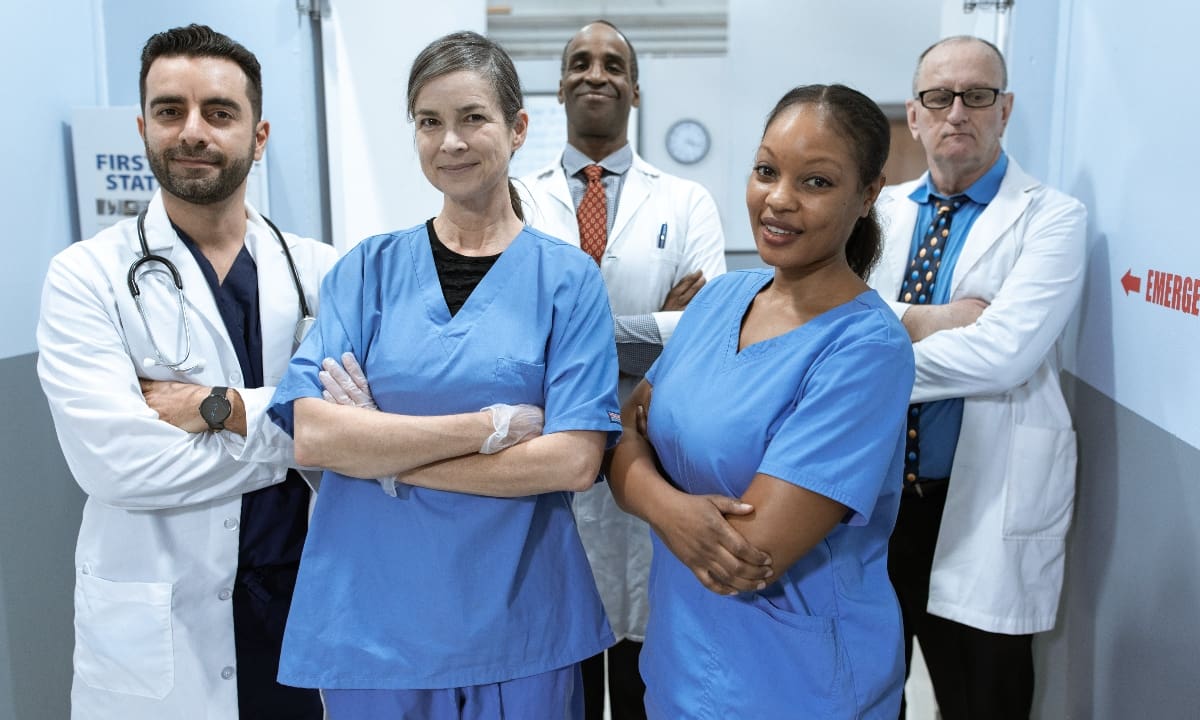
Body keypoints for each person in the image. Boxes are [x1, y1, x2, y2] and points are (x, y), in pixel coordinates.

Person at [265, 30, 622, 719]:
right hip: (373, 626)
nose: (449, 142)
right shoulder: (367, 271)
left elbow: (574, 460)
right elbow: (313, 435)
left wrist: (380, 453)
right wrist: (489, 428)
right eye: (429, 122)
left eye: (472, 118)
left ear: (517, 128)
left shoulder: (567, 280)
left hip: (521, 621)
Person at [36, 24, 336, 720]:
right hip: (161, 628)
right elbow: (118, 466)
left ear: (259, 136)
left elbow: (366, 438)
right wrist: (305, 432)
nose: (192, 131)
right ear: (144, 128)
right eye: (171, 111)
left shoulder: (324, 271)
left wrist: (219, 409)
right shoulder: (87, 278)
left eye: (219, 112)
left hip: (301, 607)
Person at [608, 84, 915, 719]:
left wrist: (644, 483)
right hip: (679, 667)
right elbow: (621, 436)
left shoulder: (865, 348)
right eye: (767, 170)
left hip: (798, 685)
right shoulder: (721, 299)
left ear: (868, 195)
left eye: (817, 182)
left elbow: (747, 558)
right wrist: (676, 508)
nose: (778, 199)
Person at [868, 36, 1086, 719]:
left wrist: (865, 354)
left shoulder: (1052, 218)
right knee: (865, 692)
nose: (957, 110)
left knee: (982, 698)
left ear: (1005, 109)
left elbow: (1004, 355)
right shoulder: (878, 213)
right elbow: (831, 318)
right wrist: (935, 319)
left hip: (979, 504)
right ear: (915, 115)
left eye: (978, 95)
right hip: (876, 502)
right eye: (940, 96)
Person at [520, 21, 726, 717]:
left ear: (635, 89)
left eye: (613, 64)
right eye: (579, 61)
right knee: (563, 663)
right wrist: (652, 326)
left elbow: (703, 334)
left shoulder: (686, 200)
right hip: (547, 449)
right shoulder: (518, 200)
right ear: (559, 86)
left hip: (654, 450)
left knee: (646, 667)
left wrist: (569, 336)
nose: (595, 74)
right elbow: (511, 335)